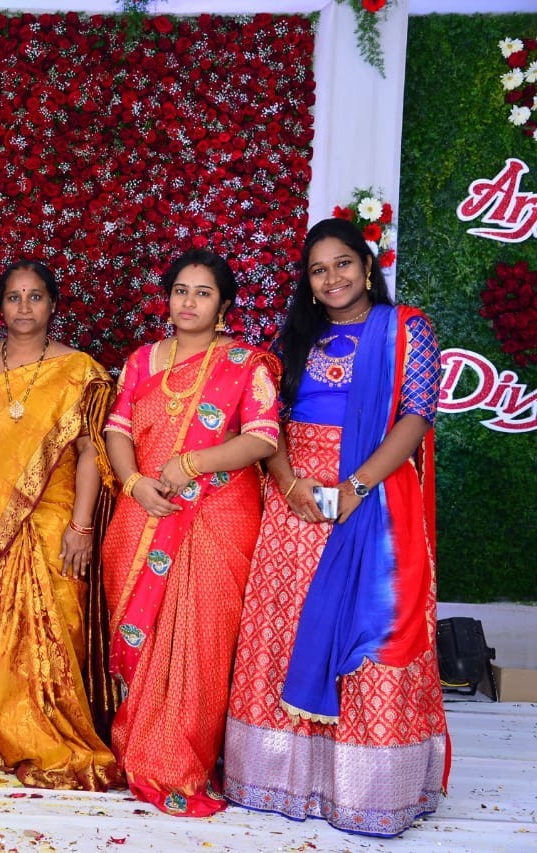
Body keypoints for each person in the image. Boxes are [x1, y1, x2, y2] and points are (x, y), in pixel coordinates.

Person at [224, 218, 447, 837]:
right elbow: (265, 420)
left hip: (372, 498)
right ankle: (281, 779)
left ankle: (367, 789)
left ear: (367, 266)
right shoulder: (296, 337)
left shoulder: (407, 330)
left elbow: (415, 417)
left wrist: (357, 487)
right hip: (294, 501)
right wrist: (288, 482)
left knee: (367, 634)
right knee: (286, 627)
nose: (332, 279)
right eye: (318, 270)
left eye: (343, 264)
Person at [100, 249, 280, 816]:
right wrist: (134, 483)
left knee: (202, 641)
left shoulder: (246, 364)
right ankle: (140, 749)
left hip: (216, 515)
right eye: (181, 290)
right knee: (148, 634)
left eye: (203, 293)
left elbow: (263, 438)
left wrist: (193, 465)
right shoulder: (142, 360)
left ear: (223, 306)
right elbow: (117, 429)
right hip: (145, 509)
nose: (189, 302)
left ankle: (183, 761)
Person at [0, 260, 116, 791]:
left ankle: (59, 732)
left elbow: (91, 450)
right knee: (4, 626)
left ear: (53, 304)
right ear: (0, 306)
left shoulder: (80, 369)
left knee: (60, 621)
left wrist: (82, 526)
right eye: (14, 297)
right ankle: (12, 732)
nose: (24, 307)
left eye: (35, 296)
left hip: (58, 516)